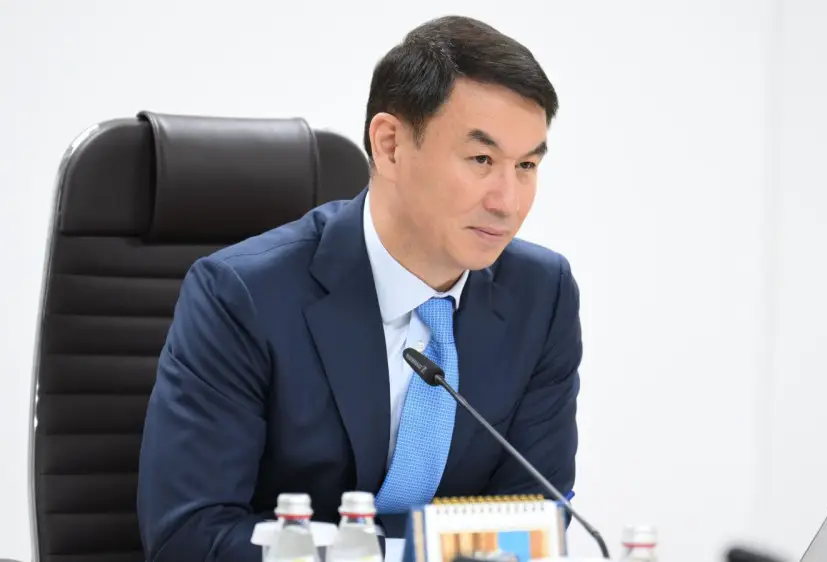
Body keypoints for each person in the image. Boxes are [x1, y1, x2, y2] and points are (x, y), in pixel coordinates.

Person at [137, 15, 582, 562]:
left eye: (527, 165)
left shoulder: (542, 294)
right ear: (390, 145)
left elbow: (532, 517)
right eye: (482, 160)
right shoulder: (241, 296)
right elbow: (189, 536)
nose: (508, 202)